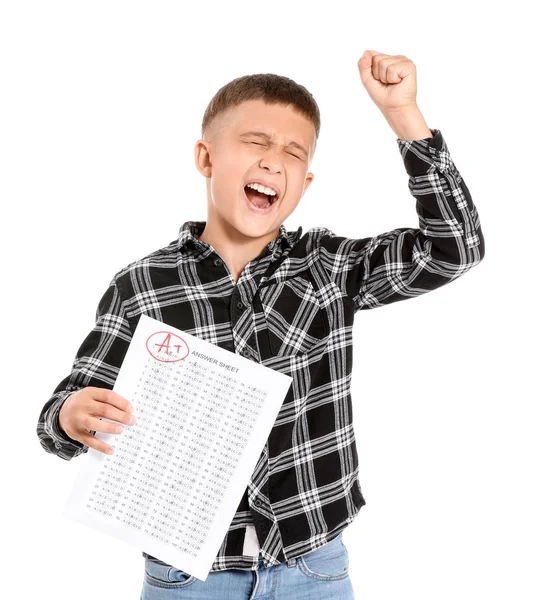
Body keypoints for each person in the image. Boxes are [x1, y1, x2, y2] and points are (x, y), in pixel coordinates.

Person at [36, 49, 485, 599]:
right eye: (255, 143)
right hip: (186, 576)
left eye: (294, 153)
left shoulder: (330, 268)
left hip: (313, 568)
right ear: (206, 157)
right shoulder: (142, 285)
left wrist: (403, 113)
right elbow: (62, 414)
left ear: (305, 184)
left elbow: (455, 247)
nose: (275, 161)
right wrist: (70, 415)